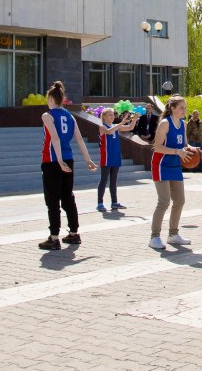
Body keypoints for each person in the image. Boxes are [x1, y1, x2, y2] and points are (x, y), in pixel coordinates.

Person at [37, 81, 97, 250]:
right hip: (68, 158)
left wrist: (58, 160)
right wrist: (88, 159)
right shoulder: (70, 116)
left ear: (50, 98)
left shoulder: (47, 115)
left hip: (52, 160)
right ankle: (74, 233)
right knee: (68, 197)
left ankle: (54, 237)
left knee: (52, 200)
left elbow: (55, 138)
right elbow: (79, 139)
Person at [149, 96, 193, 250]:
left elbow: (184, 144)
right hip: (161, 165)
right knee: (164, 201)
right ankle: (154, 237)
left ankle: (173, 234)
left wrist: (192, 149)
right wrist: (177, 151)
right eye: (181, 108)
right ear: (173, 108)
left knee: (180, 200)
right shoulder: (165, 123)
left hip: (175, 165)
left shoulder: (183, 124)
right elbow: (157, 147)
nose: (184, 110)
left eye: (185, 108)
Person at [96, 107, 137, 212]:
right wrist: (121, 123)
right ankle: (100, 203)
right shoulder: (102, 127)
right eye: (109, 115)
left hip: (115, 157)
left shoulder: (115, 126)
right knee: (104, 180)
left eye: (113, 114)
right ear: (104, 117)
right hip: (106, 157)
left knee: (113, 181)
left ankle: (114, 202)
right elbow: (109, 132)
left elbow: (130, 127)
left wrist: (135, 119)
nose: (112, 116)